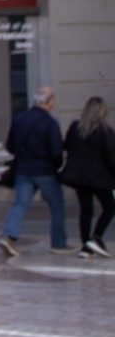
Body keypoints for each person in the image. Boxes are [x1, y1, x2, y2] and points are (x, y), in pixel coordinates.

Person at [0, 86, 68, 255]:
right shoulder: (50, 123)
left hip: (23, 169)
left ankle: (9, 236)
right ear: (50, 101)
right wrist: (57, 167)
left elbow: (10, 146)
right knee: (57, 207)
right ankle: (58, 243)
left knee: (19, 204)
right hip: (45, 170)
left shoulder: (19, 118)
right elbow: (56, 151)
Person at [60, 97, 115, 258]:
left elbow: (67, 146)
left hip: (78, 177)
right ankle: (96, 238)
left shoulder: (76, 128)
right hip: (99, 178)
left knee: (86, 210)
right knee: (110, 207)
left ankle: (86, 245)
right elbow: (111, 156)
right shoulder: (105, 131)